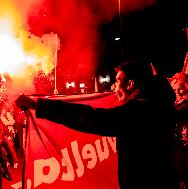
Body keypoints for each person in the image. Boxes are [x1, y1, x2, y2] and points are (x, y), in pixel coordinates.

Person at [15, 59, 178, 189]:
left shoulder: (139, 111)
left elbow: (91, 118)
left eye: (118, 81)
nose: (114, 87)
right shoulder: (161, 104)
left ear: (130, 84)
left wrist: (39, 106)